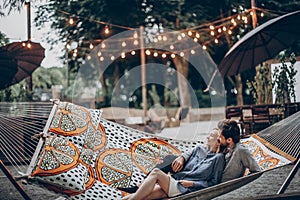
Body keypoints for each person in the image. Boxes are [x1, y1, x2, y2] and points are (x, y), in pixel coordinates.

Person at [121, 129, 225, 200]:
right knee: (142, 196)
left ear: (218, 141)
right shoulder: (198, 148)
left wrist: (193, 184)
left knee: (156, 173)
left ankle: (140, 185)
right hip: (174, 181)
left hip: (185, 189)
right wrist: (181, 158)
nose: (207, 137)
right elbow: (183, 156)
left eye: (211, 136)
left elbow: (214, 183)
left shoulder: (219, 158)